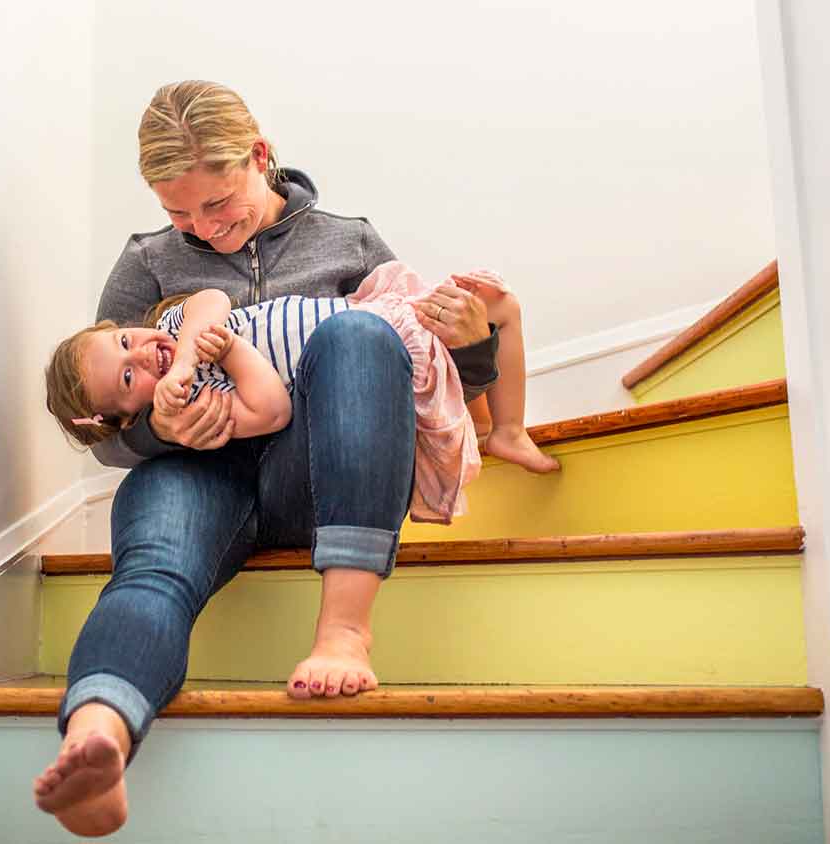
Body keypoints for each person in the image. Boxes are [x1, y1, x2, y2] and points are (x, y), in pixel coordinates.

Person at [30, 80, 541, 838]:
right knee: (154, 572)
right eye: (177, 213)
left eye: (217, 202)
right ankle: (98, 736)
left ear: (260, 157)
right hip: (196, 482)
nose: (201, 228)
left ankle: (343, 632)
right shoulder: (145, 263)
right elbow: (104, 411)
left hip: (320, 473)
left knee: (362, 335)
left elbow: (426, 387)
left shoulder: (350, 239)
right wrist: (167, 428)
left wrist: (475, 347)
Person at [47, 260, 557, 525]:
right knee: (472, 336)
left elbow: (212, 298)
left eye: (125, 341)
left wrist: (186, 355)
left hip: (375, 316)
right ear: (128, 415)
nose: (141, 355)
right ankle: (495, 430)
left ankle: (506, 429)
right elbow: (272, 411)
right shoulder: (199, 409)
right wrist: (227, 355)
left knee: (498, 303)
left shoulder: (177, 330)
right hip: (377, 356)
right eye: (128, 379)